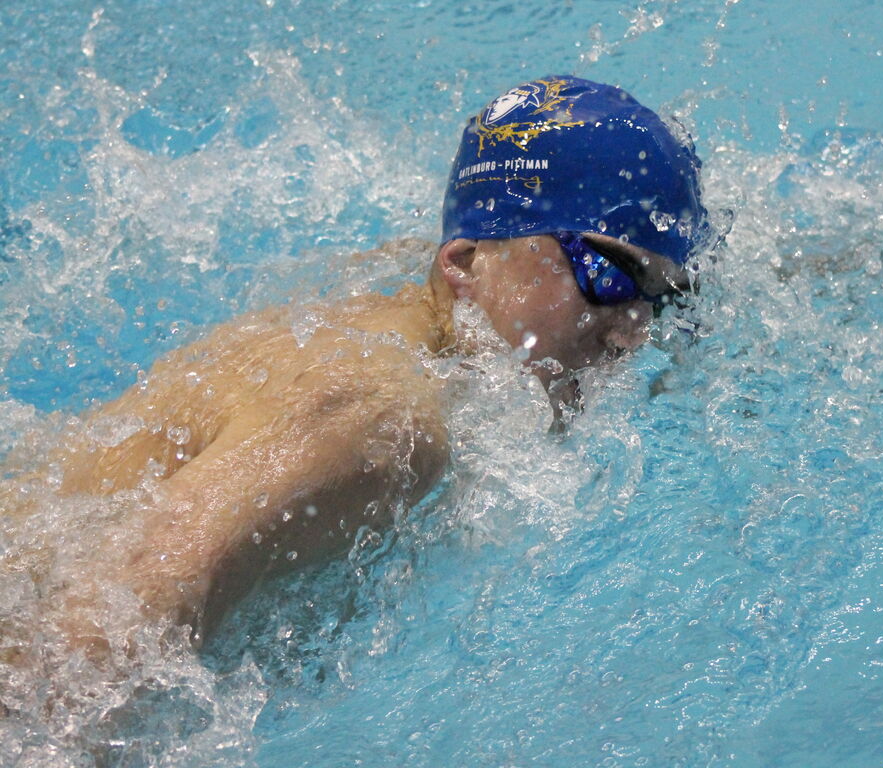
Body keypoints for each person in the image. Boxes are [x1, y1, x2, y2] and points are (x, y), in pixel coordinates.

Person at [0, 76, 709, 663]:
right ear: (463, 263)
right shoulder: (381, 419)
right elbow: (105, 613)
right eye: (608, 273)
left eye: (664, 298)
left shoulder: (394, 314)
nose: (635, 332)